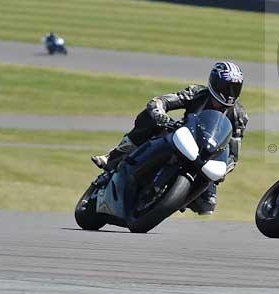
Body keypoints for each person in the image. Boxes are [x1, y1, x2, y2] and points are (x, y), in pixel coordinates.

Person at [90, 61, 248, 215]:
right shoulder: (197, 93)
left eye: (235, 88)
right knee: (149, 120)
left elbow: (233, 154)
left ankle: (171, 200)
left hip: (206, 156)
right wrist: (160, 114)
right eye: (226, 87)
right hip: (183, 138)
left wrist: (223, 170)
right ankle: (114, 156)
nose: (230, 93)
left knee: (208, 205)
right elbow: (160, 101)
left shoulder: (239, 115)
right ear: (214, 83)